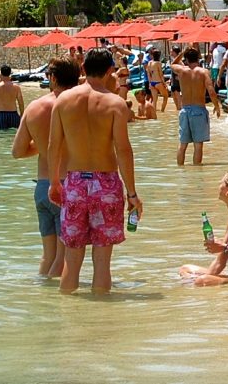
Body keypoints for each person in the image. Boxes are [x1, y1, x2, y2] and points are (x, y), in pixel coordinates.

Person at [47, 48, 141, 295]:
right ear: (110, 71)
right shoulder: (116, 104)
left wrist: (54, 182)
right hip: (106, 183)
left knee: (71, 259)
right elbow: (123, 150)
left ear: (83, 68)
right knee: (102, 261)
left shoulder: (63, 101)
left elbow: (53, 146)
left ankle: (67, 312)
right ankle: (102, 314)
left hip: (75, 182)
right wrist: (132, 193)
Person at [11, 56, 79, 278]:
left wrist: (43, 147)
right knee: (63, 258)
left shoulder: (35, 107)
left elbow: (17, 151)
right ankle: (57, 299)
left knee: (48, 256)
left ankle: (41, 292)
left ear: (53, 78)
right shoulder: (77, 106)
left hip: (42, 187)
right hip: (66, 185)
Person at [171, 48, 221, 166]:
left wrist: (182, 52)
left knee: (182, 145)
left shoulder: (181, 70)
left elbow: (172, 64)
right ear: (198, 58)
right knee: (198, 145)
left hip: (185, 110)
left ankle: (180, 170)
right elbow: (211, 91)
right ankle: (197, 171)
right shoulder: (203, 72)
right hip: (198, 110)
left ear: (186, 59)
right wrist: (217, 106)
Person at [0, 65, 24, 130]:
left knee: (2, 135)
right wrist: (22, 115)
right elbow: (21, 103)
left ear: (1, 74)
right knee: (14, 134)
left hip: (1, 115)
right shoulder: (16, 88)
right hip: (14, 114)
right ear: (10, 73)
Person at [168, 46, 183, 110]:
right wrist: (170, 78)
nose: (170, 52)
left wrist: (179, 76)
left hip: (177, 81)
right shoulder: (173, 60)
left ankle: (180, 108)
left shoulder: (179, 61)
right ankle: (178, 109)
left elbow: (183, 69)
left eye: (171, 51)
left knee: (177, 95)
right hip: (173, 81)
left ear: (174, 52)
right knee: (173, 95)